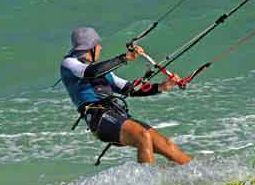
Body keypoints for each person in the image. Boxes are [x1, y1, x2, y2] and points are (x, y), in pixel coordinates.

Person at [60, 27, 192, 165]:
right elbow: (91, 72)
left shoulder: (102, 71)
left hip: (117, 114)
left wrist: (162, 86)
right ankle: (147, 184)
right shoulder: (69, 63)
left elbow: (130, 89)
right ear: (90, 47)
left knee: (165, 145)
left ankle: (199, 174)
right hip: (99, 118)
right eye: (98, 45)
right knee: (142, 135)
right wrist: (124, 58)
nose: (100, 47)